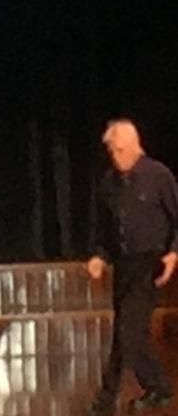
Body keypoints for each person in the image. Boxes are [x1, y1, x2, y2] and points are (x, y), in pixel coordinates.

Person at [85, 120, 178, 415]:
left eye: (119, 149)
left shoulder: (158, 176)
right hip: (124, 266)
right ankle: (158, 387)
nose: (115, 156)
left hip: (149, 263)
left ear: (135, 146)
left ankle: (106, 399)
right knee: (129, 335)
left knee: (127, 332)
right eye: (111, 151)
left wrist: (174, 253)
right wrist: (100, 257)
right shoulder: (108, 184)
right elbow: (104, 232)